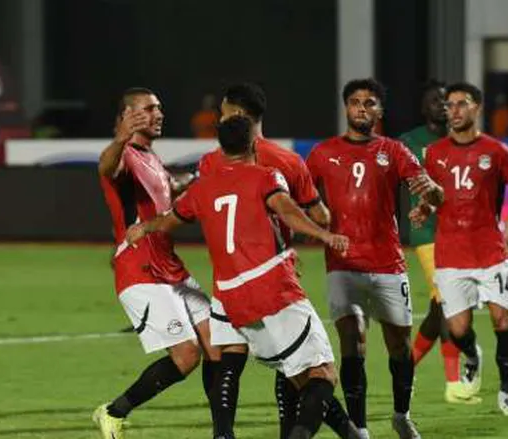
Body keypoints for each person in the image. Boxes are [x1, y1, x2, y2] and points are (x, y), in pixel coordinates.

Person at [127, 115, 357, 439]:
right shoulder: (266, 176)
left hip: (230, 298)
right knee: (323, 375)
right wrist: (324, 234)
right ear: (253, 144)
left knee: (285, 373)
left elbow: (167, 220)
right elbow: (286, 209)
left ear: (220, 147)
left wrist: (143, 227)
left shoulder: (203, 187)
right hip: (271, 289)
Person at [197, 83, 353, 439]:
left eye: (224, 112)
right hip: (273, 277)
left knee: (228, 359)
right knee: (297, 363)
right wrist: (305, 231)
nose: (220, 117)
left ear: (238, 116)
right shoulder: (289, 161)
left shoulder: (212, 162)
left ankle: (222, 434)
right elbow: (321, 215)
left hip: (228, 277)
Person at [306, 78, 444, 439]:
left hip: (387, 264)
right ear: (346, 107)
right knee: (353, 341)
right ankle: (361, 428)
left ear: (380, 111)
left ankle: (401, 415)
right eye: (355, 102)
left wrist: (431, 197)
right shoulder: (322, 153)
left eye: (369, 103)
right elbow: (299, 198)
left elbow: (432, 193)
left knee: (399, 345)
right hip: (342, 263)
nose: (361, 108)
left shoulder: (394, 151)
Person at [94, 87, 220, 439]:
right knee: (186, 356)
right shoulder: (125, 156)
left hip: (171, 267)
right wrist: (121, 137)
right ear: (128, 116)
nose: (158, 114)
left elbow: (170, 189)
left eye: (159, 108)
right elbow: (106, 167)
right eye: (149, 109)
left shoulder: (151, 158)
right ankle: (113, 411)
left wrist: (196, 179)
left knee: (218, 346)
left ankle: (222, 431)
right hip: (141, 270)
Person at [415, 82, 508, 417]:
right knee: (457, 329)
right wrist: (425, 207)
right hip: (451, 253)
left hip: (490, 251)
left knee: (502, 320)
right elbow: (434, 196)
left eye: (461, 104)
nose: (453, 110)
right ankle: (472, 355)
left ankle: (506, 393)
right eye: (449, 105)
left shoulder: (497, 151)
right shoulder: (434, 153)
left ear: (477, 108)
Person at [400, 80, 478, 404]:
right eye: (435, 101)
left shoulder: (460, 141)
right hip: (427, 234)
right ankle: (453, 384)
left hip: (457, 233)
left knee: (437, 310)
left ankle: (405, 369)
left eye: (446, 101)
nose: (442, 106)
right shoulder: (409, 142)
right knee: (449, 303)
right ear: (423, 108)